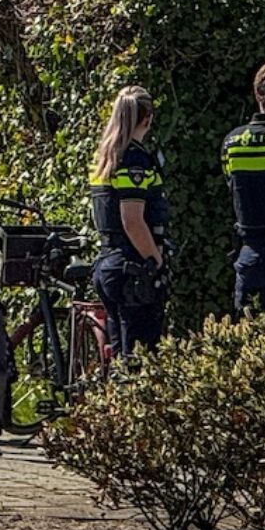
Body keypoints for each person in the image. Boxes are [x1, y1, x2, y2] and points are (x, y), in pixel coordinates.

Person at [89, 86, 168, 358]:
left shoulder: (107, 158)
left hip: (108, 263)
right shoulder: (135, 159)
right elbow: (132, 221)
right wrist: (156, 260)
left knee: (121, 356)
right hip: (133, 268)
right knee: (141, 360)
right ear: (147, 118)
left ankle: (114, 401)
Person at [222, 59, 265, 314]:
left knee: (254, 339)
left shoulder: (233, 142)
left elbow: (231, 183)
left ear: (257, 94)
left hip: (252, 255)